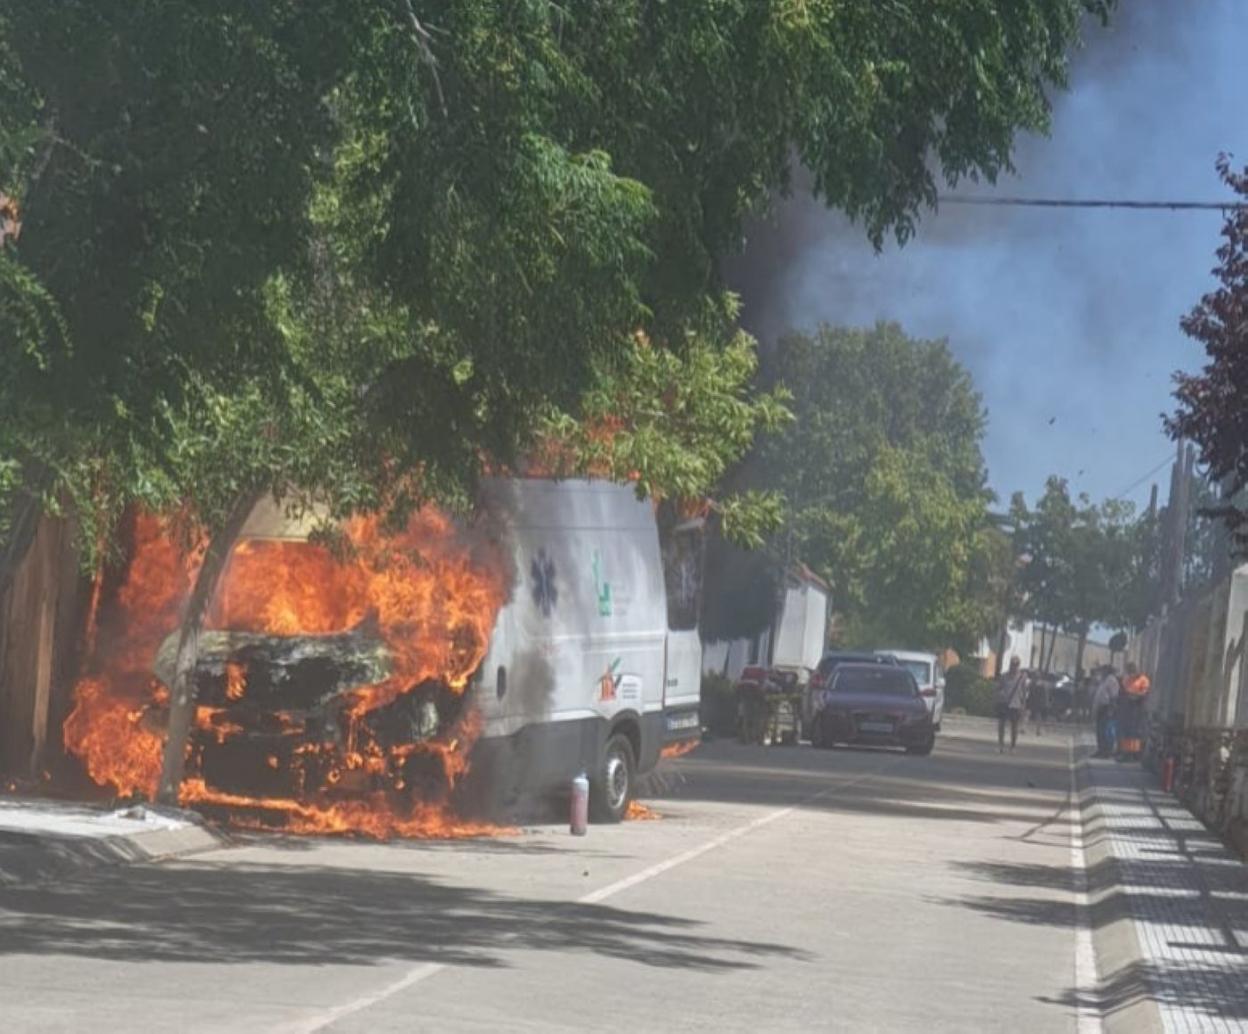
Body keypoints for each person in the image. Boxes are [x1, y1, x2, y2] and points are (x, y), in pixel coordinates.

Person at [1116, 661, 1151, 761]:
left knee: (1135, 733)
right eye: (1129, 671)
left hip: (1138, 709)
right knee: (1126, 732)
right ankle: (1126, 753)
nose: (1130, 673)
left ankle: (1134, 754)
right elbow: (1123, 691)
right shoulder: (1127, 679)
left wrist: (1134, 697)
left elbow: (1144, 694)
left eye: (1132, 671)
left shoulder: (1144, 680)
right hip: (1127, 710)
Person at [996, 657, 1029, 753]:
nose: (1013, 666)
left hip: (1016, 704)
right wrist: (1000, 695)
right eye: (1012, 664)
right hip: (1004, 703)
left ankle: (1013, 746)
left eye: (1016, 664)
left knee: (1014, 727)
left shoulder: (1022, 677)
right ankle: (1000, 745)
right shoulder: (1004, 676)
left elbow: (1024, 691)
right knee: (1001, 725)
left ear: (1018, 665)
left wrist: (1024, 705)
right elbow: (998, 688)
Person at [1091, 666, 1121, 758]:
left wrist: (1111, 709)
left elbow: (1114, 696)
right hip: (1101, 708)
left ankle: (1106, 751)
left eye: (1103, 670)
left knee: (1105, 731)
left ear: (1107, 671)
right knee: (1100, 731)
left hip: (1107, 708)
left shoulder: (1111, 680)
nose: (1101, 672)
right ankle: (1101, 750)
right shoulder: (1104, 680)